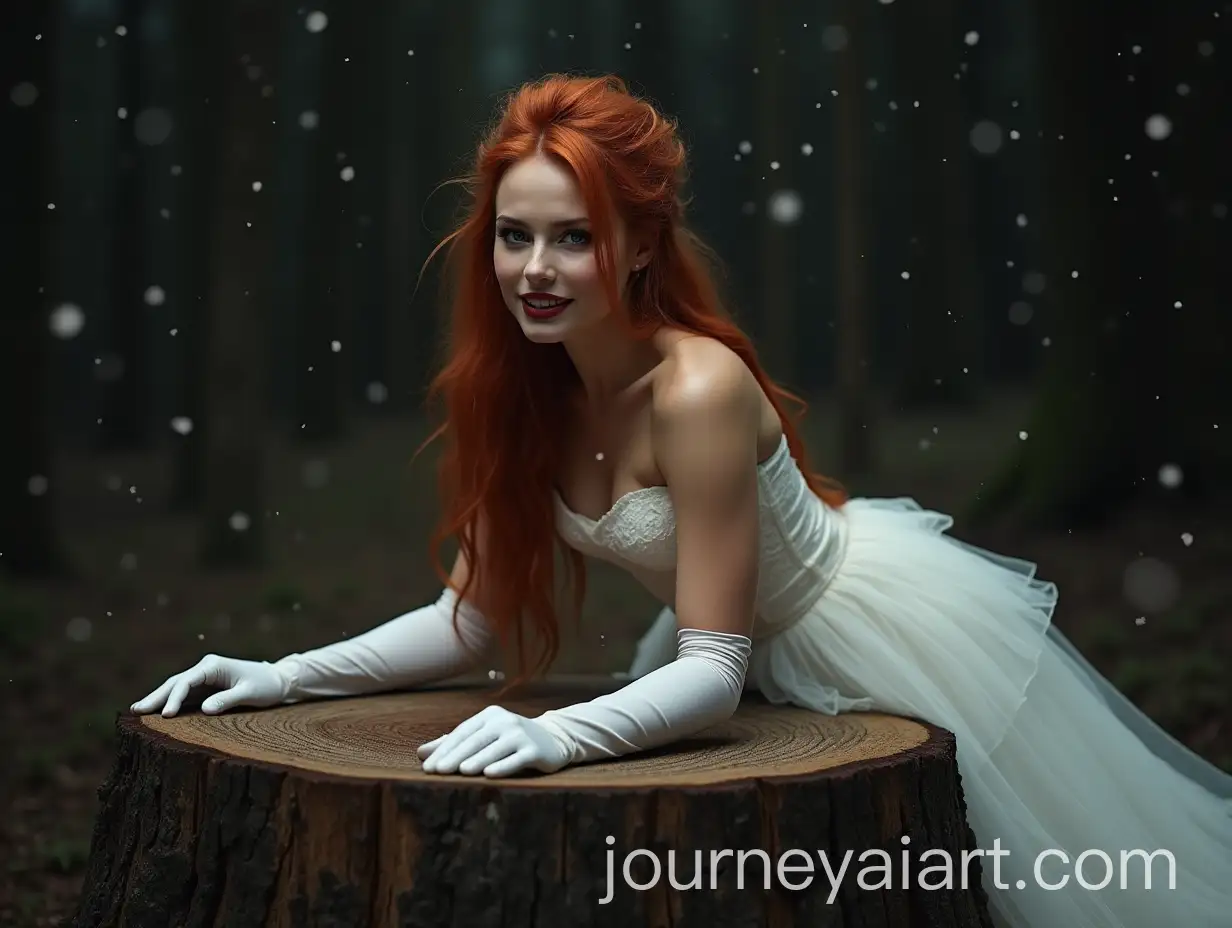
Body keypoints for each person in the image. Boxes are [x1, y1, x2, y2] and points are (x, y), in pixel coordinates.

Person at [132, 74, 1230, 926]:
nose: (535, 269)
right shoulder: (524, 391)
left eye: (574, 236)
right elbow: (470, 620)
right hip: (729, 651)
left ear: (642, 244)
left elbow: (712, 668)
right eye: (515, 235)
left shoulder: (696, 389)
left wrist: (561, 734)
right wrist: (283, 675)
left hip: (869, 635)